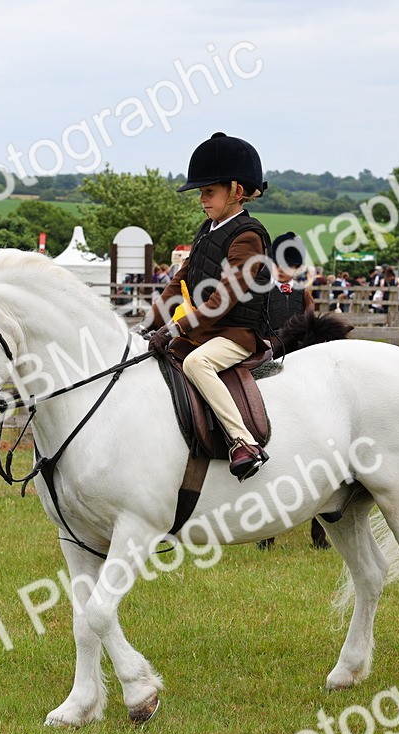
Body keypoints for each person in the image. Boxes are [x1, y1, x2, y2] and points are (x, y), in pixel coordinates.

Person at [140, 132, 271, 481]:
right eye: (201, 192)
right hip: (204, 330)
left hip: (235, 334)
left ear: (236, 191)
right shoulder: (207, 229)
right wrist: (146, 323)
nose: (202, 199)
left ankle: (243, 442)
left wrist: (177, 327)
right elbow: (177, 282)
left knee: (197, 364)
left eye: (208, 192)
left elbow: (224, 297)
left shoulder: (249, 236)